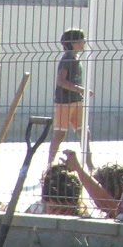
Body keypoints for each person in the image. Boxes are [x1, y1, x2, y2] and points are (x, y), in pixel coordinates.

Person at [51, 28, 87, 162]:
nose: (84, 43)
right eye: (82, 40)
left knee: (84, 133)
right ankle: (50, 163)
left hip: (76, 100)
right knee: (60, 133)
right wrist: (80, 89)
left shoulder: (75, 57)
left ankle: (89, 163)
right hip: (65, 102)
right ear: (73, 43)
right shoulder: (67, 58)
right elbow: (60, 80)